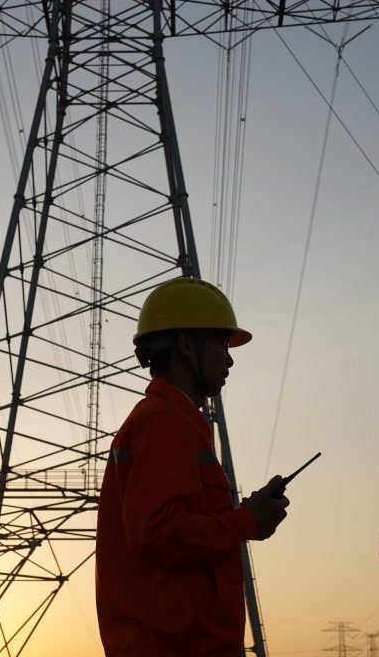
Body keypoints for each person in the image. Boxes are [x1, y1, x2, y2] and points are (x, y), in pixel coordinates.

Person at [96, 276, 291, 657]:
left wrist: (242, 516)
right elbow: (159, 533)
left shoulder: (174, 421)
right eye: (221, 344)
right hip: (176, 646)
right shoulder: (164, 421)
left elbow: (172, 527)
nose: (229, 359)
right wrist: (247, 521)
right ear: (187, 345)